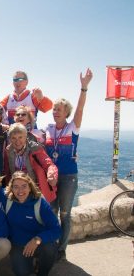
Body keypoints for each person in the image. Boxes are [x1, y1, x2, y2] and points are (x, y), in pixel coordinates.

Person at [44, 68, 93, 261]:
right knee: (51, 212)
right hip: (51, 178)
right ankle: (52, 244)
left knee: (64, 214)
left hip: (68, 177)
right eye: (54, 109)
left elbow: (80, 109)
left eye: (59, 109)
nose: (55, 111)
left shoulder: (73, 127)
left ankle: (61, 249)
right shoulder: (47, 130)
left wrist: (84, 88)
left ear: (66, 113)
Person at [5, 172, 61, 276]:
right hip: (18, 244)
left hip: (38, 243)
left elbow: (56, 229)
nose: (20, 191)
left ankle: (42, 272)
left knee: (50, 248)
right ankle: (29, 265)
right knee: (22, 272)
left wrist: (37, 239)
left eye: (24, 186)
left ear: (30, 187)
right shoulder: (6, 200)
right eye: (16, 187)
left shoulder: (40, 203)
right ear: (11, 188)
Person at [4, 123, 58, 203]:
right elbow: (7, 172)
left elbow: (49, 164)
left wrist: (52, 173)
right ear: (10, 139)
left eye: (20, 137)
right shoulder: (9, 151)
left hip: (36, 191)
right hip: (19, 192)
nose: (17, 141)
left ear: (26, 137)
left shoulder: (35, 149)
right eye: (14, 138)